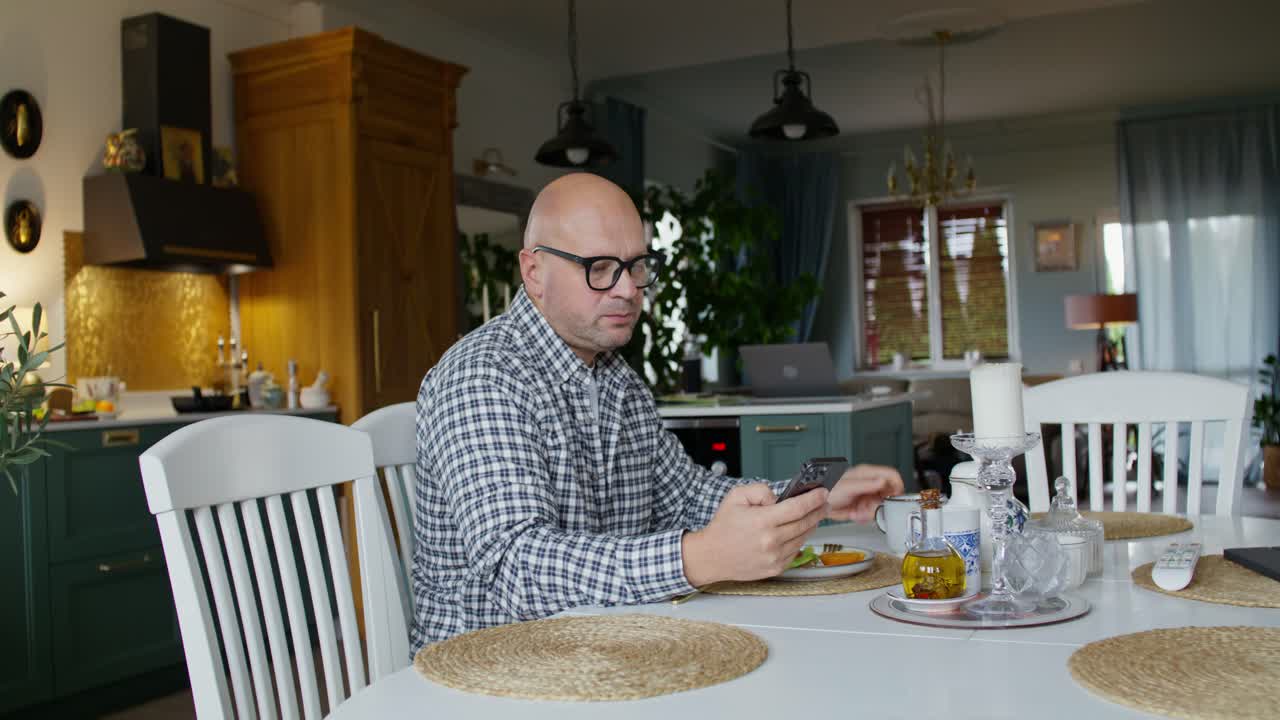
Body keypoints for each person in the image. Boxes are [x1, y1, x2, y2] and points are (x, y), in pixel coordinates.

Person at [411, 173, 902, 647]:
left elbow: (685, 496)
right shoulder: (484, 375)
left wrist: (808, 500)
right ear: (534, 271)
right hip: (492, 672)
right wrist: (700, 558)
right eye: (599, 268)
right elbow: (516, 567)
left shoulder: (615, 378)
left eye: (636, 265)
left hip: (604, 644)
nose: (628, 289)